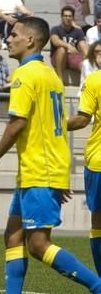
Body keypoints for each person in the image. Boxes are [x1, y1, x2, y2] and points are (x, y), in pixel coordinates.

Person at [0, 16, 101, 294]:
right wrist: (60, 173)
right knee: (13, 235)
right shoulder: (51, 76)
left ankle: (99, 286)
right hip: (42, 169)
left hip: (38, 171)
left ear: (30, 41)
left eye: (14, 35)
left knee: (37, 244)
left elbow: (17, 123)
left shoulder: (25, 75)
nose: (8, 40)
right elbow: (56, 127)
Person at [68, 67, 101, 280]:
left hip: (99, 162)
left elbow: (82, 119)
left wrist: (54, 125)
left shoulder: (95, 80)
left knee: (98, 222)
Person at [50, 5, 87, 82]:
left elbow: (83, 45)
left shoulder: (78, 31)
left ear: (73, 18)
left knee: (83, 64)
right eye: (65, 16)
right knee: (61, 49)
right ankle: (59, 79)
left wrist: (87, 56)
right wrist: (69, 47)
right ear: (62, 17)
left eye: (70, 16)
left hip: (72, 57)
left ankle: (87, 85)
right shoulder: (55, 29)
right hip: (58, 58)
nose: (67, 18)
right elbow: (55, 41)